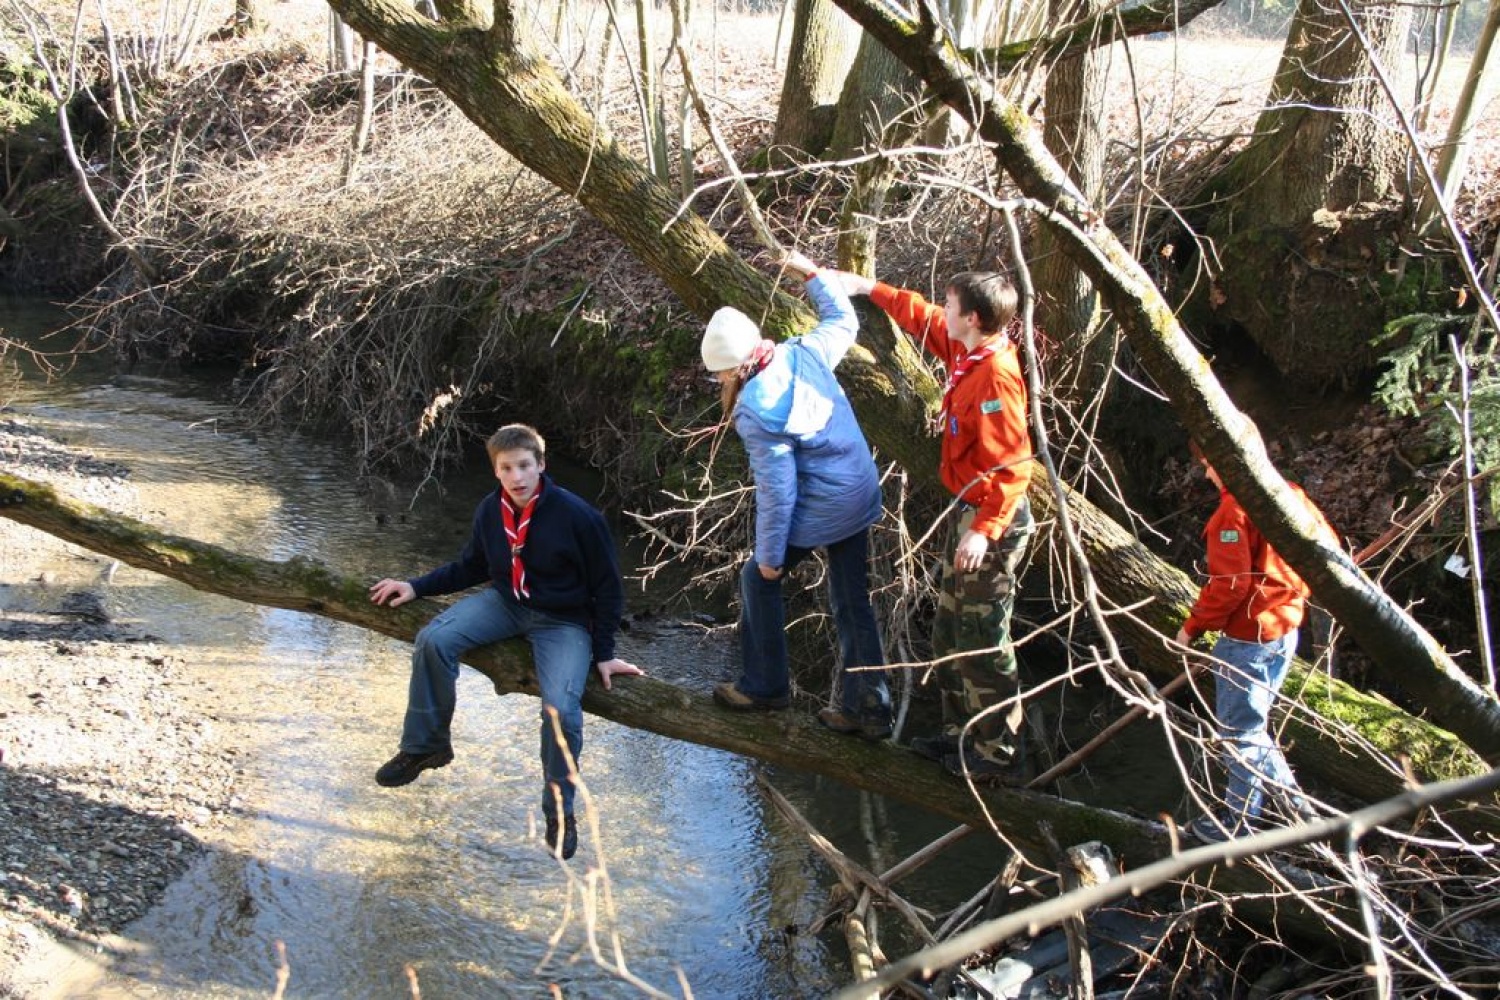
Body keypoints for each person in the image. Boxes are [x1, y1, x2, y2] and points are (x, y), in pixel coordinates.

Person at [369, 423, 643, 861]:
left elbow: (608, 588)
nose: (517, 477)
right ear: (496, 471)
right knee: (433, 640)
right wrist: (416, 586)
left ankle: (559, 808)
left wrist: (604, 653)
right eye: (506, 468)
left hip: (563, 621)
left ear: (541, 466)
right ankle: (427, 747)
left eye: (524, 466)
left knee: (560, 709)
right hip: (507, 603)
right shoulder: (489, 510)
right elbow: (471, 566)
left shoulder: (579, 517)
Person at [825, 266, 1035, 780]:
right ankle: (961, 734)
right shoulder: (969, 349)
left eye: (952, 303)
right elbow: (922, 318)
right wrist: (865, 288)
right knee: (948, 633)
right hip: (969, 513)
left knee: (984, 638)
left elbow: (1013, 467)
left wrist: (985, 530)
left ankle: (998, 755)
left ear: (975, 318)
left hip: (993, 523)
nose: (944, 309)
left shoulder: (996, 378)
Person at [701, 250, 893, 740]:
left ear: (736, 368)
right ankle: (869, 706)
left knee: (756, 579)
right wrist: (813, 275)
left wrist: (769, 558)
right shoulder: (801, 353)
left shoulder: (755, 412)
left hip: (825, 503)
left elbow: (778, 491)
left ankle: (765, 685)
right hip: (860, 490)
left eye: (720, 374)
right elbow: (843, 319)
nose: (719, 381)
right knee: (853, 599)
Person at [1174, 439, 1337, 843]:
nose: (1207, 473)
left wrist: (1192, 627)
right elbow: (1327, 546)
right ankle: (1297, 809)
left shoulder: (1233, 513)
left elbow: (1229, 587)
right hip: (1285, 631)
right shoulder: (1290, 494)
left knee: (1239, 733)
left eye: (1209, 464)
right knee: (1254, 728)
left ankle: (1239, 822)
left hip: (1248, 639)